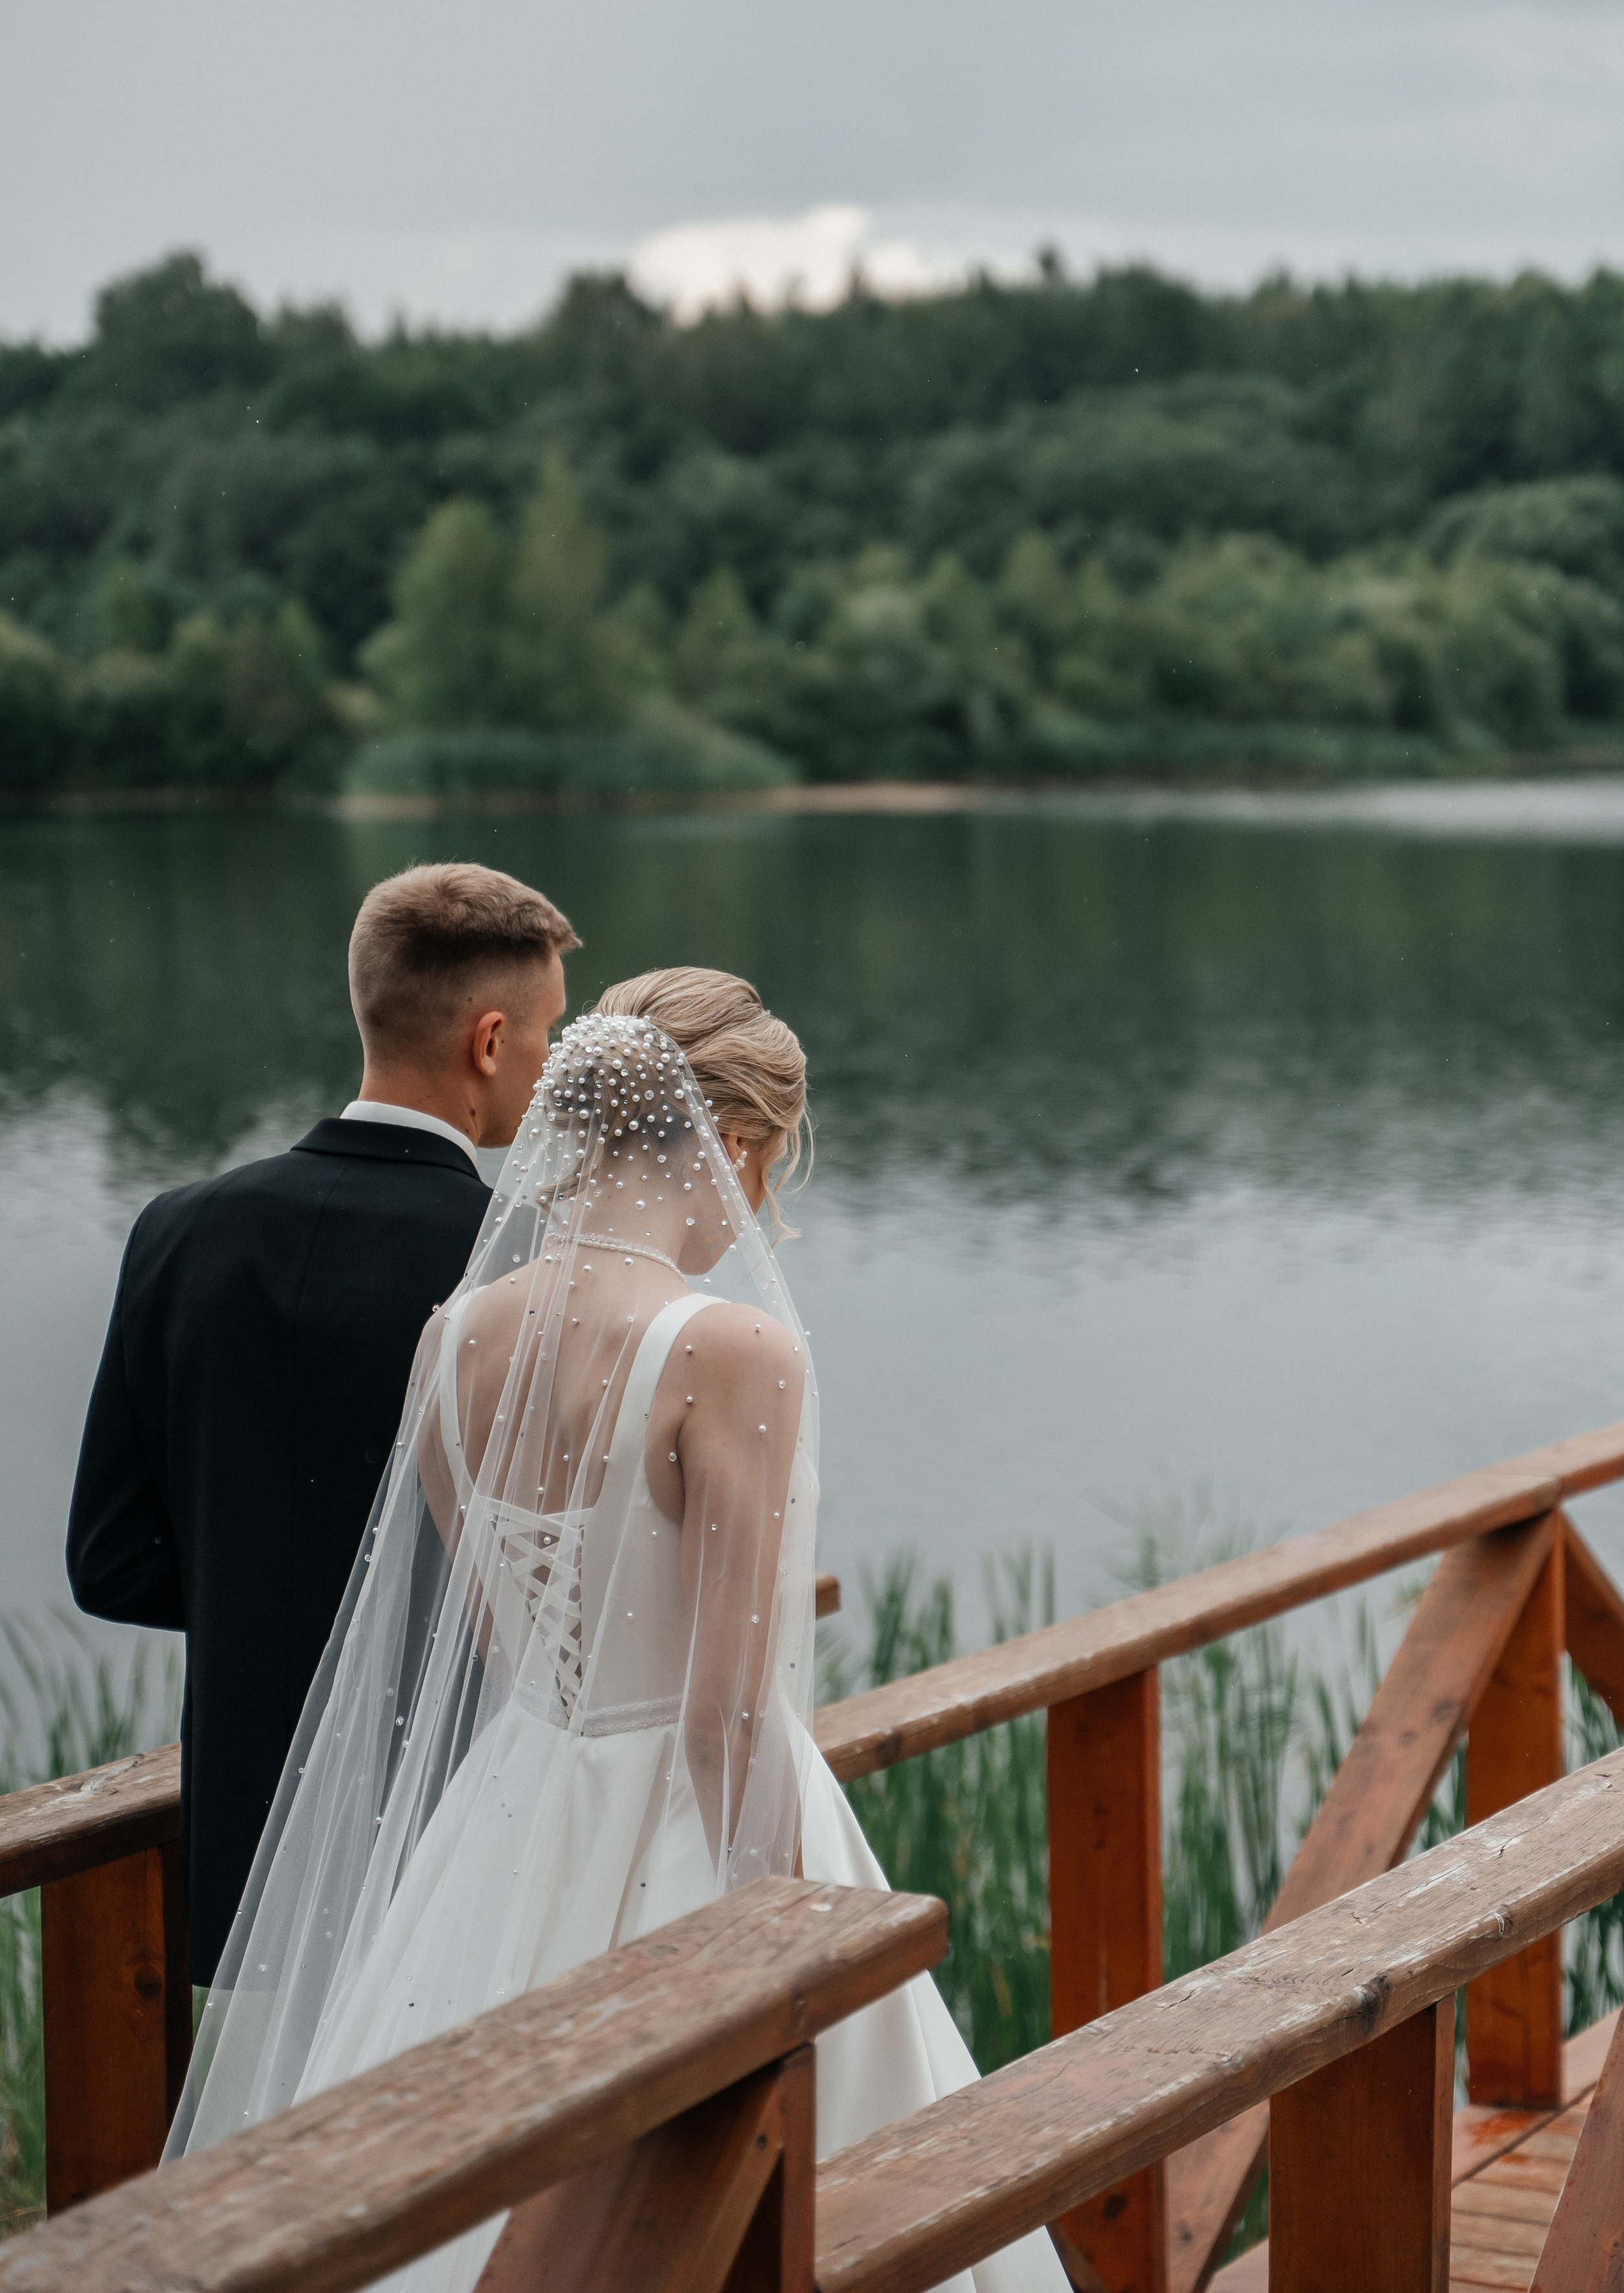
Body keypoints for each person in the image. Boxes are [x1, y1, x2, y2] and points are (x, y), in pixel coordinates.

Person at [169, 969, 1065, 2293]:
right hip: (696, 1828)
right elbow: (724, 1712)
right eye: (768, 1171)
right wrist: (787, 1941)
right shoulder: (731, 1349)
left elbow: (498, 1626)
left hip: (508, 1815)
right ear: (739, 1145)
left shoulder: (454, 1337)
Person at [65, 860, 577, 1984]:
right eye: (550, 1039)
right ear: (489, 1043)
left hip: (248, 1847)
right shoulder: (525, 1264)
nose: (550, 1074)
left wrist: (262, 1617)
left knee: (282, 2156)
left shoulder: (178, 1230)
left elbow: (109, 1565)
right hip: (458, 1834)